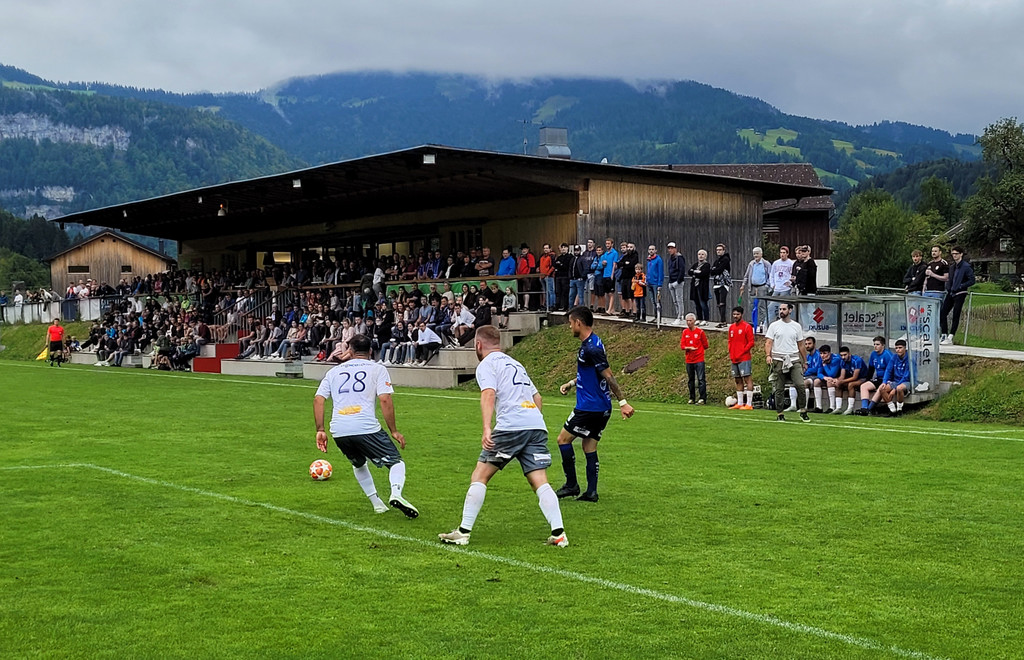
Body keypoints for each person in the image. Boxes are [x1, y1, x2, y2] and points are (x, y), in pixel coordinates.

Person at [438, 325, 567, 548]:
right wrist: (530, 421)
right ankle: (559, 534)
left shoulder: (487, 365)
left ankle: (463, 532)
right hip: (535, 425)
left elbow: (489, 393)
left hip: (510, 427)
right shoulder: (516, 363)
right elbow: (538, 399)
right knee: (540, 480)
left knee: (480, 475)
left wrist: (487, 427)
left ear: (478, 345)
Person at [313, 334, 418, 518]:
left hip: (339, 429)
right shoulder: (377, 369)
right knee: (396, 461)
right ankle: (396, 493)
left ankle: (377, 504)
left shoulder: (334, 372)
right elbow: (385, 399)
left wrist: (320, 430)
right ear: (370, 351)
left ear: (350, 352)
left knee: (359, 463)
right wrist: (393, 430)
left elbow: (318, 399)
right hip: (366, 426)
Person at [554, 306, 635, 501]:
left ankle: (572, 484)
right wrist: (573, 383)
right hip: (599, 406)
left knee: (563, 440)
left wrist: (623, 402)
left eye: (571, 324)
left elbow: (609, 376)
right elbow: (591, 372)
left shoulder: (592, 348)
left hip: (590, 407)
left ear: (578, 323)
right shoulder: (593, 342)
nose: (570, 327)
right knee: (589, 447)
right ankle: (591, 492)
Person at [764, 302, 810, 422]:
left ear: (790, 310)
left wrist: (805, 361)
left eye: (784, 309)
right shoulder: (774, 326)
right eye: (780, 309)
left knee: (800, 385)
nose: (781, 311)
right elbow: (769, 342)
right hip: (779, 359)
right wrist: (768, 355)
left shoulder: (796, 326)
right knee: (779, 388)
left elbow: (801, 345)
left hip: (794, 358)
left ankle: (803, 411)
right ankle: (780, 413)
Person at [940, 246, 975, 345]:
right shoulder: (952, 267)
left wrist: (961, 286)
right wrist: (949, 287)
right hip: (951, 292)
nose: (954, 256)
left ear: (961, 254)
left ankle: (951, 336)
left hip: (960, 292)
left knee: (956, 313)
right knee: (943, 313)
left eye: (956, 254)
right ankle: (944, 334)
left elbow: (972, 280)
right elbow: (950, 279)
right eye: (953, 254)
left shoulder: (966, 267)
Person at [727, 306, 755, 410]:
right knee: (738, 380)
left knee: (747, 379)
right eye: (734, 314)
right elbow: (730, 341)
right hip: (734, 358)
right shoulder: (731, 328)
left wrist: (742, 351)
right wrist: (731, 352)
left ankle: (749, 403)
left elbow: (751, 342)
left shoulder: (746, 327)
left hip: (744, 358)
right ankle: (740, 403)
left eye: (737, 314)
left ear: (741, 315)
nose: (735, 316)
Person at [858, 336, 894, 416]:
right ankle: (864, 408)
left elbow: (891, 370)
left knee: (881, 388)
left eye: (877, 344)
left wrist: (888, 381)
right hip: (878, 378)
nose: (875, 346)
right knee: (863, 386)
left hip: (888, 379)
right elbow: (871, 369)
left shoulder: (887, 354)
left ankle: (869, 409)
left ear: (883, 345)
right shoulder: (873, 354)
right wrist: (867, 380)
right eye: (874, 344)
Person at [739, 247, 771, 332]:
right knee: (752, 305)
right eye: (754, 254)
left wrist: (767, 286)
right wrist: (743, 285)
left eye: (757, 253)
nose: (755, 255)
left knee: (761, 306)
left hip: (762, 287)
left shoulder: (766, 264)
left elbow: (770, 276)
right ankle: (753, 323)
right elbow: (746, 276)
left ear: (761, 254)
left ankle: (761, 323)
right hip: (752, 287)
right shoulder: (751, 264)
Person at [680, 313, 709, 404]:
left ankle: (702, 398)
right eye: (687, 321)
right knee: (690, 379)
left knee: (701, 379)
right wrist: (689, 348)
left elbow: (705, 345)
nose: (689, 323)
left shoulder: (700, 332)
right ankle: (692, 397)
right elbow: (682, 346)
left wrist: (698, 350)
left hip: (699, 359)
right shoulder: (685, 332)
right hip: (689, 359)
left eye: (690, 321)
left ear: (694, 321)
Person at [878, 339, 912, 415]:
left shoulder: (909, 358)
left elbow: (906, 376)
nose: (898, 350)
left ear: (905, 348)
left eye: (900, 348)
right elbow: (888, 370)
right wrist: (884, 382)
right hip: (896, 381)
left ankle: (900, 409)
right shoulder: (894, 357)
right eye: (896, 348)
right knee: (882, 388)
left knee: (899, 389)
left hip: (907, 382)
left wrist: (895, 389)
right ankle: (892, 410)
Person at [835, 346, 867, 415]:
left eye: (845, 355)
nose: (843, 357)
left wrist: (842, 381)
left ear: (849, 354)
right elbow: (842, 376)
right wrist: (837, 380)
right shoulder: (842, 361)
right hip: (851, 378)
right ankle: (838, 407)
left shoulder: (857, 360)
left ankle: (850, 408)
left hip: (863, 378)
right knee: (838, 384)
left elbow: (855, 377)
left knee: (851, 385)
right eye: (841, 355)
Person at [767, 245, 794, 325]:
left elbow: (794, 275)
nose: (782, 254)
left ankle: (786, 323)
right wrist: (772, 284)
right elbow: (771, 274)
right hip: (776, 288)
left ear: (787, 254)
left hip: (785, 289)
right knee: (771, 307)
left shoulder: (791, 263)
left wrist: (790, 283)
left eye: (784, 253)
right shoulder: (776, 263)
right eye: (781, 252)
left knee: (785, 307)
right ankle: (768, 324)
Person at [813, 344, 842, 414]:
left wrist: (825, 365)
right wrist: (824, 377)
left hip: (838, 378)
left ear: (829, 353)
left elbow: (832, 374)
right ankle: (819, 407)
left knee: (829, 382)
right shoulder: (821, 359)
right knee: (816, 381)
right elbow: (819, 373)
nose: (822, 355)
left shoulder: (836, 359)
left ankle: (832, 407)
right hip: (827, 378)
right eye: (821, 353)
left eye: (825, 353)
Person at [710, 244, 732, 327]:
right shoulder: (716, 260)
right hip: (716, 283)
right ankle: (721, 319)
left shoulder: (725, 259)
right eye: (717, 250)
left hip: (724, 283)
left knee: (722, 302)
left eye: (720, 250)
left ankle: (723, 321)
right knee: (718, 302)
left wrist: (715, 269)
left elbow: (719, 270)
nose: (718, 251)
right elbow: (712, 271)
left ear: (723, 250)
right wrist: (715, 270)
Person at [666, 241, 687, 325]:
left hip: (677, 282)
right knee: (675, 301)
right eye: (669, 248)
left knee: (679, 299)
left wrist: (678, 281)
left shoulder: (679, 258)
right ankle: (678, 314)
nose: (670, 250)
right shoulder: (670, 258)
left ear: (675, 249)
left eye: (672, 248)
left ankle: (680, 316)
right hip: (671, 281)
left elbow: (682, 270)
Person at [688, 249, 711, 324]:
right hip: (695, 286)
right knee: (697, 303)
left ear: (705, 256)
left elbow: (703, 274)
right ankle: (699, 318)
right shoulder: (695, 264)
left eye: (702, 254)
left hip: (702, 287)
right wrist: (696, 272)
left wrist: (695, 272)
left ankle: (706, 319)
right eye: (699, 254)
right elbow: (689, 272)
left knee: (703, 303)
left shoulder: (707, 265)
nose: (700, 256)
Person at [645, 245, 664, 323]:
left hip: (656, 283)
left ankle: (659, 317)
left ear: (655, 250)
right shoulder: (649, 260)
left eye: (652, 249)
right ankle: (655, 316)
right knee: (653, 301)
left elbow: (660, 272)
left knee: (657, 301)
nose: (651, 251)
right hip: (649, 282)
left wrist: (660, 284)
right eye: (650, 249)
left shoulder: (658, 260)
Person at [600, 238, 619, 314]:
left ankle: (609, 309)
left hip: (610, 275)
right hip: (605, 274)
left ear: (612, 244)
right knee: (607, 293)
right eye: (606, 243)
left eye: (609, 243)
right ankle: (612, 309)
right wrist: (603, 263)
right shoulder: (605, 254)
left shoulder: (614, 253)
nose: (607, 245)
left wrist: (612, 274)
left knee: (611, 293)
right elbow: (603, 263)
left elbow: (615, 264)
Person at [552, 243, 573, 311]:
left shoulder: (570, 257)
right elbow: (555, 265)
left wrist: (560, 265)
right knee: (558, 292)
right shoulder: (559, 257)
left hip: (565, 276)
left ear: (567, 248)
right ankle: (557, 305)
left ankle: (565, 306)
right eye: (562, 247)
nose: (563, 249)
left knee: (565, 292)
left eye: (565, 247)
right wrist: (560, 265)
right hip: (558, 276)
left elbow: (567, 266)